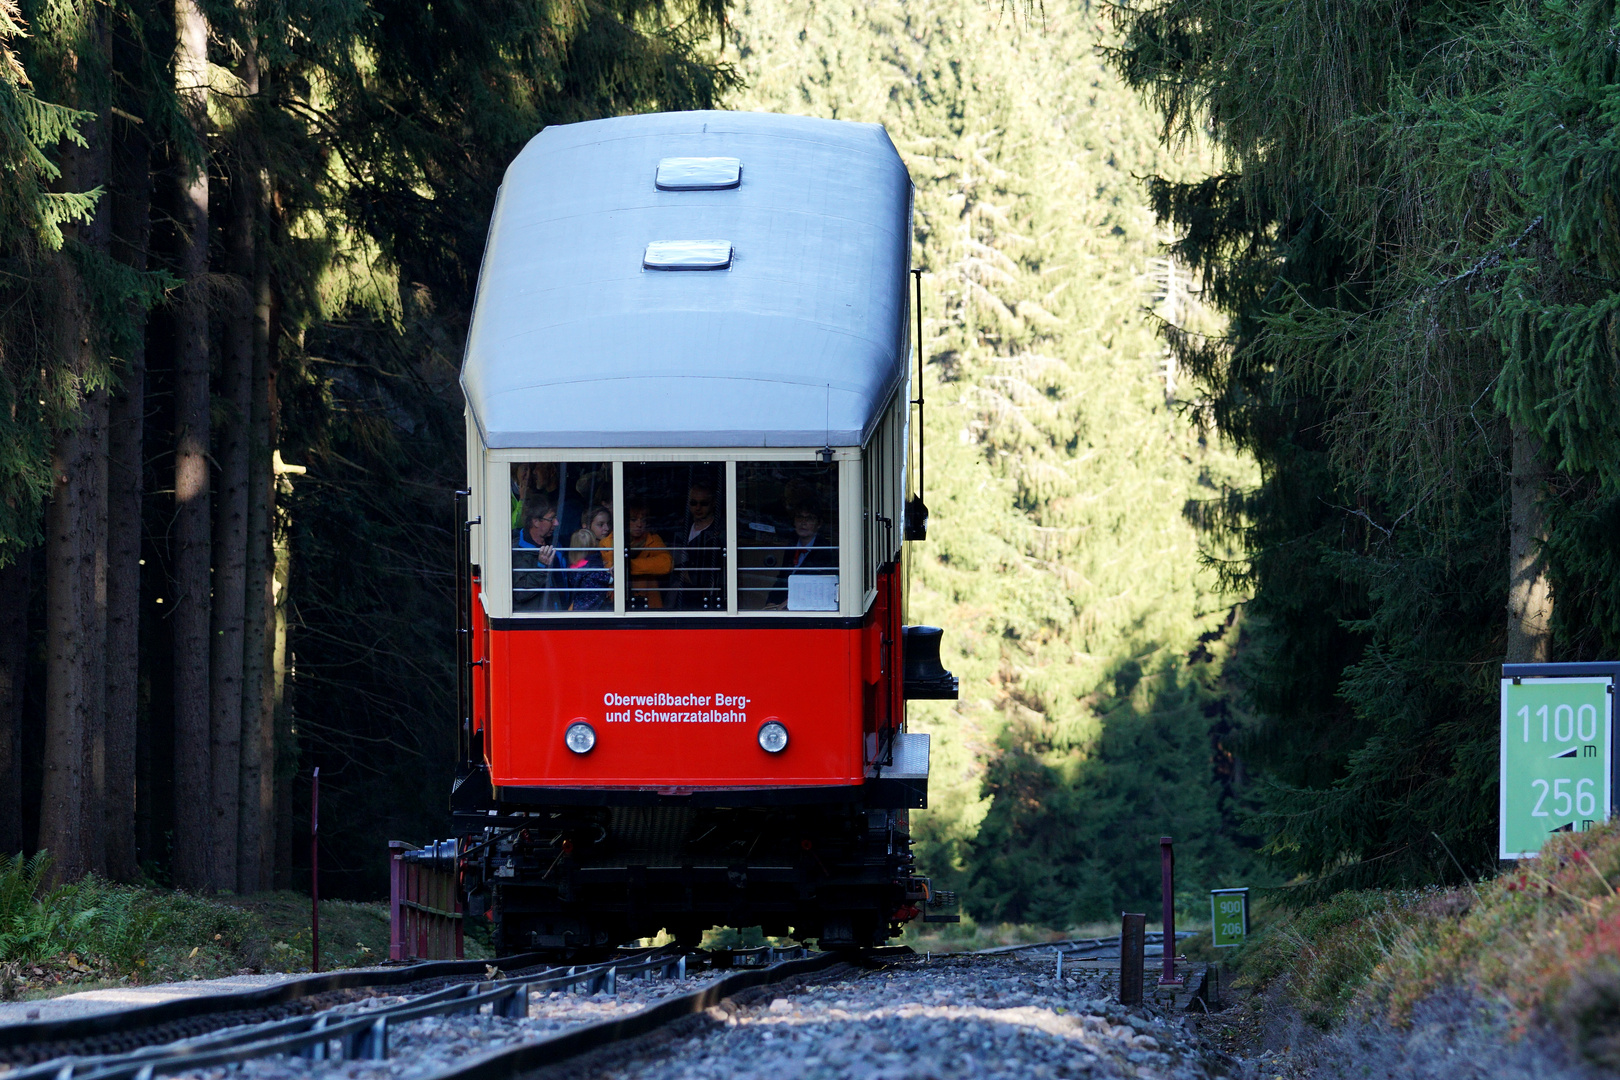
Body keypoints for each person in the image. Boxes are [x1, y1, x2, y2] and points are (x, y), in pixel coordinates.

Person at [603, 501, 672, 609]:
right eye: (633, 520)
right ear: (624, 521)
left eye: (643, 520)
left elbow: (666, 563)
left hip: (649, 604)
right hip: (617, 604)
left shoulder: (652, 539)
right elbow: (610, 566)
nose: (639, 524)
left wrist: (628, 566)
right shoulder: (608, 541)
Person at [766, 505, 836, 609]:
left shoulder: (825, 550)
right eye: (799, 517)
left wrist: (785, 605)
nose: (803, 522)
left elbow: (816, 588)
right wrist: (771, 602)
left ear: (819, 524)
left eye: (809, 518)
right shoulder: (792, 546)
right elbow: (782, 579)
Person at [672, 480, 725, 610]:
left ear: (713, 504)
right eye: (693, 503)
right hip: (681, 597)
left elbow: (706, 576)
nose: (698, 508)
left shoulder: (720, 533)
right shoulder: (682, 528)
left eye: (704, 503)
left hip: (707, 600)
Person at [512, 496, 565, 611]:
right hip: (537, 623)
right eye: (551, 519)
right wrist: (541, 567)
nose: (556, 523)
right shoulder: (517, 551)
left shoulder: (555, 543)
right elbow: (520, 593)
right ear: (535, 521)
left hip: (560, 616)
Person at [568, 507, 614, 611]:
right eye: (600, 524)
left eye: (609, 523)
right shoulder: (590, 561)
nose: (607, 528)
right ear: (586, 527)